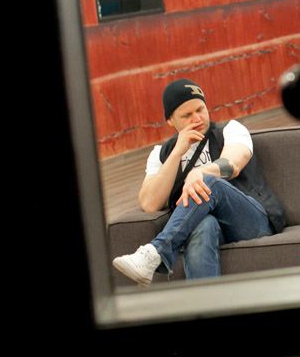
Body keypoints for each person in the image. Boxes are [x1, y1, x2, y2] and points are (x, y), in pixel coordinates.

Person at [112, 79, 286, 285]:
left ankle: (155, 252)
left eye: (200, 109)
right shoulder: (161, 154)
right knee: (203, 224)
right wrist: (177, 152)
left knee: (210, 182)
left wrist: (200, 172)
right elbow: (150, 203)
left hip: (251, 220)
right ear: (170, 121)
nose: (197, 118)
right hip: (210, 227)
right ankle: (205, 301)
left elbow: (233, 164)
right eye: (187, 115)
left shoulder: (230, 130)